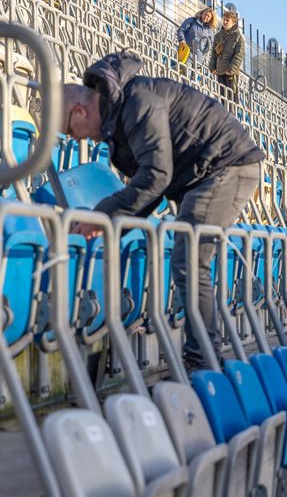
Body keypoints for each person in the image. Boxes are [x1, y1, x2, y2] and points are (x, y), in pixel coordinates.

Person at [61, 52, 264, 370]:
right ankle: (202, 355)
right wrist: (114, 226)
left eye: (69, 129)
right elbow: (152, 186)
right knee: (188, 258)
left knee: (189, 259)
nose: (73, 138)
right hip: (202, 173)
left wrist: (103, 215)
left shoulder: (137, 102)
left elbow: (156, 177)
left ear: (79, 111)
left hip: (225, 166)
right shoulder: (122, 112)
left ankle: (204, 362)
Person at [210, 9, 244, 102]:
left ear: (233, 22)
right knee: (222, 98)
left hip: (230, 73)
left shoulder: (238, 37)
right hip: (220, 71)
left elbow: (238, 56)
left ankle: (232, 115)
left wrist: (231, 69)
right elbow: (213, 54)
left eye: (227, 20)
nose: (224, 22)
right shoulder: (218, 36)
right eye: (224, 19)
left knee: (232, 97)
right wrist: (212, 68)